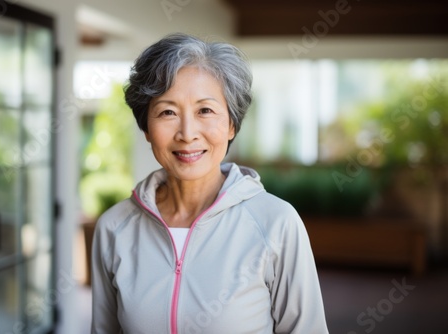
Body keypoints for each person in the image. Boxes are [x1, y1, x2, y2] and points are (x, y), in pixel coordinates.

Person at [91, 33, 328, 334]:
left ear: (231, 124)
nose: (187, 133)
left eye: (205, 110)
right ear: (146, 128)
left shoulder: (276, 223)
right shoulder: (114, 228)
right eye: (168, 112)